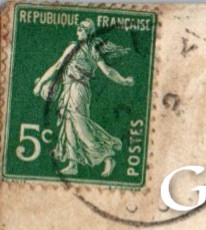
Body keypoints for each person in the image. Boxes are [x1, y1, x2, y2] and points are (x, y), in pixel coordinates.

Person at [33, 20, 134, 178]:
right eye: (78, 28)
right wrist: (40, 84)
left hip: (79, 90)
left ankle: (107, 157)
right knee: (68, 125)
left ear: (89, 32)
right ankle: (73, 164)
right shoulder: (73, 47)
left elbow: (107, 71)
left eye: (82, 29)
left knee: (80, 124)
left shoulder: (92, 50)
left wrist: (124, 80)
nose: (78, 30)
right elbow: (57, 66)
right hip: (68, 89)